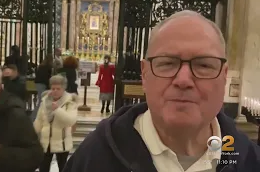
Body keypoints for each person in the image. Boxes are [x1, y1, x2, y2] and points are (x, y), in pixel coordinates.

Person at [62, 10, 260, 172]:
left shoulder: (250, 161)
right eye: (167, 63)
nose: (183, 80)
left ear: (224, 76)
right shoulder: (93, 159)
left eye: (203, 65)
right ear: (144, 74)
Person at [34, 75, 78, 172]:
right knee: (43, 168)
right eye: (53, 88)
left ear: (63, 88)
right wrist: (31, 134)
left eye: (58, 88)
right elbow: (39, 120)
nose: (55, 91)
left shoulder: (70, 102)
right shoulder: (45, 101)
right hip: (46, 142)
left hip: (62, 142)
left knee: (63, 168)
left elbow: (71, 120)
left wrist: (57, 110)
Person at [32, 55, 53, 121]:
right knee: (42, 101)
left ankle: (38, 116)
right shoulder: (48, 67)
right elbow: (47, 78)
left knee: (41, 100)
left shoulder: (40, 66)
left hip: (38, 84)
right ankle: (33, 117)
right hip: (43, 84)